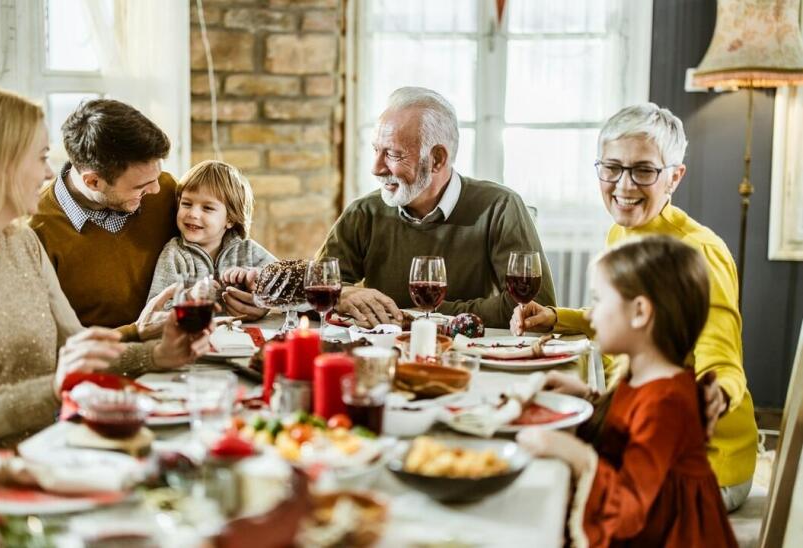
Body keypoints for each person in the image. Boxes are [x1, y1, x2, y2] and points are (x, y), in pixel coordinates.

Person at [0, 89, 210, 448]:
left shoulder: (21, 243)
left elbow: (75, 347)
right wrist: (56, 387)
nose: (47, 173)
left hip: (57, 446)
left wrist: (157, 355)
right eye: (41, 157)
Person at [510, 103, 757, 511]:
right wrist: (558, 318)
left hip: (704, 464)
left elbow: (723, 363)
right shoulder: (621, 233)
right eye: (612, 167)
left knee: (549, 495)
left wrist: (715, 395)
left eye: (644, 170)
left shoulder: (699, 253)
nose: (624, 185)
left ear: (674, 177)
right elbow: (634, 323)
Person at [518, 236, 737, 547]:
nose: (591, 315)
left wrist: (575, 454)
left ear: (639, 312)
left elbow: (629, 511)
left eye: (599, 301)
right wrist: (588, 396)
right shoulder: (647, 376)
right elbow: (631, 425)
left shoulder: (667, 402)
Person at [317, 86, 555, 328]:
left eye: (392, 154)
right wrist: (343, 294)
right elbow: (314, 286)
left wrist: (421, 315)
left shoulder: (500, 207)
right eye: (376, 150)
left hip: (471, 356)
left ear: (437, 159)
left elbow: (534, 309)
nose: (376, 168)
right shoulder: (364, 212)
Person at [29, 99, 179, 341]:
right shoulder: (36, 233)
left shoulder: (166, 190)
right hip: (100, 371)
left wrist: (252, 292)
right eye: (140, 186)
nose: (156, 190)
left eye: (158, 175)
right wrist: (135, 333)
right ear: (93, 181)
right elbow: (47, 344)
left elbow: (229, 248)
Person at [147, 160, 276, 307]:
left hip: (245, 329)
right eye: (187, 204)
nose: (193, 214)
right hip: (197, 329)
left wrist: (256, 275)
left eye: (207, 208)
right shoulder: (175, 254)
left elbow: (286, 281)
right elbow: (154, 311)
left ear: (230, 219)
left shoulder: (247, 249)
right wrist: (189, 296)